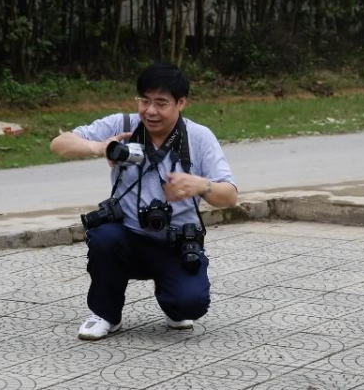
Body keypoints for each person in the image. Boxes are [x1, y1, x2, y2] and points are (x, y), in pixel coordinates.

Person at [50, 61, 237, 340]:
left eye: (161, 103)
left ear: (181, 103)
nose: (150, 111)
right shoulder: (123, 125)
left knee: (190, 304)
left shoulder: (198, 137)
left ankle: (173, 302)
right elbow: (59, 144)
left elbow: (230, 196)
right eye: (144, 100)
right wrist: (99, 146)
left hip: (174, 242)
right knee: (103, 237)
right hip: (126, 237)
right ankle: (106, 315)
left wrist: (201, 185)